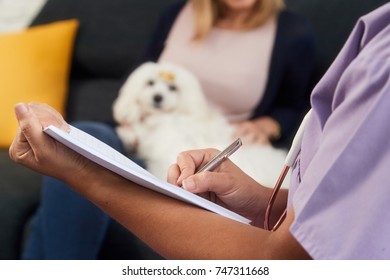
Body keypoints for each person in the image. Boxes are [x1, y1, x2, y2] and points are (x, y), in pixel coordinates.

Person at [10, 2, 390, 260]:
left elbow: (296, 104)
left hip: (215, 134)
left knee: (74, 167)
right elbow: (144, 72)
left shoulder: (294, 32)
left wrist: (266, 124)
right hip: (150, 130)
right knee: (84, 136)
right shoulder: (181, 11)